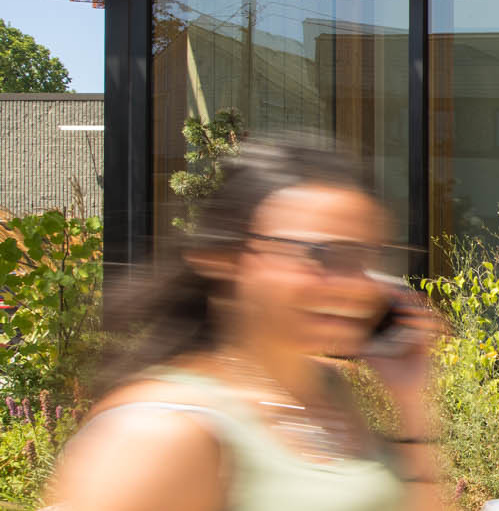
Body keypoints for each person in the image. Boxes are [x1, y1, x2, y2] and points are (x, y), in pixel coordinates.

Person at [43, 140, 450, 511]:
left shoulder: (326, 390)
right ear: (226, 258)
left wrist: (411, 401)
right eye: (325, 254)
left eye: (366, 257)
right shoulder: (159, 433)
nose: (358, 284)